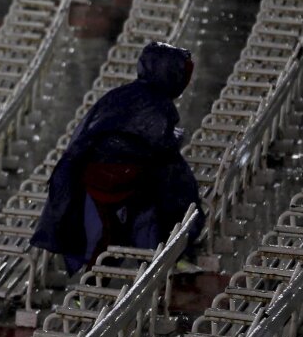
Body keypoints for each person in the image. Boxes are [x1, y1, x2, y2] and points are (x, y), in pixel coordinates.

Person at [31, 41, 205, 275]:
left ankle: (91, 272)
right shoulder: (161, 107)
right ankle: (169, 255)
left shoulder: (117, 96)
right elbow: (162, 150)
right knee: (173, 192)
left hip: (93, 180)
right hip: (132, 183)